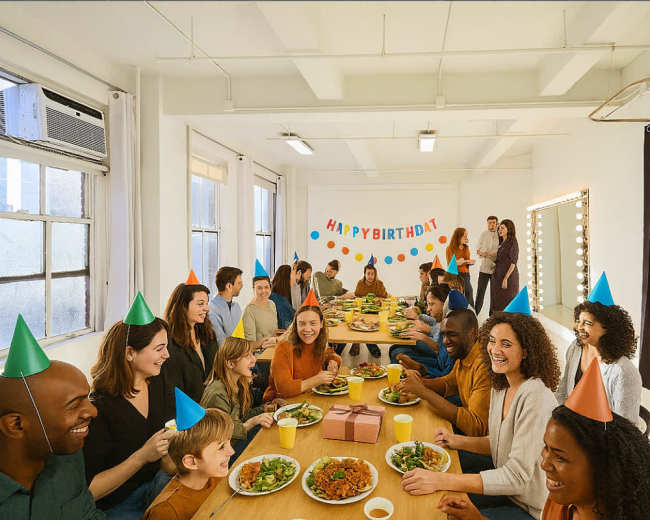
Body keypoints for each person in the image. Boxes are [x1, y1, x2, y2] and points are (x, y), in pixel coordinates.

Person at [407, 309, 560, 520]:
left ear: (526, 351)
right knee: (437, 501)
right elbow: (498, 441)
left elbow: (516, 477)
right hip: (508, 492)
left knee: (442, 494)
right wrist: (456, 440)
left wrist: (441, 479)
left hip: (528, 507)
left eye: (506, 344)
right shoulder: (501, 384)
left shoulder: (535, 397)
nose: (495, 350)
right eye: (492, 341)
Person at [0, 315, 105, 519]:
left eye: (87, 398)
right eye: (74, 405)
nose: (93, 412)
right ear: (16, 425)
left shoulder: (68, 457)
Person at [84, 294, 175, 519]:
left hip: (160, 482)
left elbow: (171, 432)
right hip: (120, 503)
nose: (167, 355)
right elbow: (90, 491)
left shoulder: (158, 382)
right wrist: (142, 456)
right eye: (159, 348)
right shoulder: (99, 408)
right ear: (130, 353)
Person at [555, 273, 642, 424]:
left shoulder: (623, 371)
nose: (580, 327)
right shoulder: (575, 349)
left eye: (587, 323)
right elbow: (563, 392)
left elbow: (625, 428)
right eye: (579, 321)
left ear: (608, 328)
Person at [143, 391, 235, 520]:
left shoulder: (216, 477)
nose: (232, 452)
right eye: (221, 447)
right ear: (191, 462)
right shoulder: (165, 511)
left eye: (228, 443)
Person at [399, 308, 490, 436]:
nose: (445, 341)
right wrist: (415, 383)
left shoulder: (483, 366)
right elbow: (447, 383)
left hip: (482, 445)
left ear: (472, 333)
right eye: (443, 335)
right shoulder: (465, 355)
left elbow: (477, 427)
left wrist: (423, 391)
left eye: (452, 334)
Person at [201, 335, 281, 464]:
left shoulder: (237, 383)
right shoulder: (217, 393)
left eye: (252, 354)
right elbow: (225, 432)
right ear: (230, 363)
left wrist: (264, 409)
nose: (253, 360)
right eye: (247, 356)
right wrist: (253, 422)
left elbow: (239, 417)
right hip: (221, 456)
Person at [263, 291, 342, 400]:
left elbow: (330, 353)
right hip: (282, 404)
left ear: (321, 324)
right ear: (296, 325)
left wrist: (333, 361)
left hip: (310, 398)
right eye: (302, 323)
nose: (307, 329)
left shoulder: (318, 340)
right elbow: (283, 388)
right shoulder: (283, 347)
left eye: (313, 323)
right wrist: (316, 380)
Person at [162, 274, 218, 403]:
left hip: (211, 404)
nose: (207, 308)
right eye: (200, 304)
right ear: (183, 306)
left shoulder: (207, 334)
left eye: (207, 303)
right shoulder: (169, 342)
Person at [389, 285, 454, 379]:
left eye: (431, 304)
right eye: (428, 304)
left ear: (445, 303)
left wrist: (423, 337)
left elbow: (440, 352)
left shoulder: (451, 324)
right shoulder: (444, 320)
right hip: (439, 360)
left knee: (397, 353)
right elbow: (440, 347)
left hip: (439, 366)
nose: (428, 309)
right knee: (395, 348)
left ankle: (409, 378)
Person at [353, 262, 388, 358]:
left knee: (371, 325)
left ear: (375, 275)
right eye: (368, 273)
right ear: (364, 274)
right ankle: (356, 343)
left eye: (372, 274)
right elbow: (357, 296)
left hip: (375, 310)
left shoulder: (379, 284)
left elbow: (385, 297)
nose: (370, 276)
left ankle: (371, 345)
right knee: (358, 323)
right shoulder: (360, 283)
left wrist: (379, 300)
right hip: (362, 309)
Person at [241, 272, 279, 351]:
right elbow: (250, 344)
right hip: (259, 356)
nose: (263, 291)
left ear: (270, 288)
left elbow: (274, 332)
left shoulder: (272, 304)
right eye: (259, 288)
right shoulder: (249, 310)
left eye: (266, 287)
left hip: (273, 350)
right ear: (253, 289)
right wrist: (267, 342)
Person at [208, 267, 243, 347]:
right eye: (239, 283)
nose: (242, 286)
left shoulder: (236, 307)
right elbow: (221, 343)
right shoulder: (212, 310)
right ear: (229, 286)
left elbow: (242, 337)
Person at [491, 219, 519, 313]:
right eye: (499, 228)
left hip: (508, 278)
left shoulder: (513, 242)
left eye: (502, 228)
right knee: (498, 301)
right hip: (498, 277)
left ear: (509, 229)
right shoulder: (501, 243)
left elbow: (513, 263)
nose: (499, 230)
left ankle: (509, 324)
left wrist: (505, 278)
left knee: (508, 301)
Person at [475, 216, 500, 315]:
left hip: (496, 270)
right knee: (480, 293)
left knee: (494, 295)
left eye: (493, 222)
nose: (491, 225)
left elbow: (501, 252)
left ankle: (492, 316)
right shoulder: (483, 234)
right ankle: (475, 314)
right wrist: (485, 254)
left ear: (497, 223)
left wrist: (488, 254)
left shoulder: (500, 235)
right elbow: (478, 250)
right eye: (489, 223)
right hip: (484, 269)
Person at [447, 228, 476, 307]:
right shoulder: (450, 248)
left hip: (465, 274)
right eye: (464, 236)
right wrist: (461, 261)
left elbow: (466, 261)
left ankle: (471, 313)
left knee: (469, 292)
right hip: (455, 275)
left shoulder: (466, 248)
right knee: (457, 294)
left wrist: (468, 262)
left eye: (466, 235)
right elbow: (450, 264)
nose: (466, 237)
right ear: (458, 237)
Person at [269, 265, 296, 330]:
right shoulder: (276, 299)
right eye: (293, 275)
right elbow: (286, 325)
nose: (295, 278)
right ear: (286, 278)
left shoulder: (281, 296)